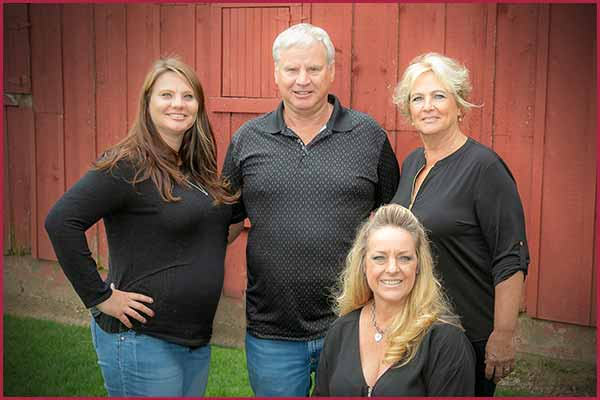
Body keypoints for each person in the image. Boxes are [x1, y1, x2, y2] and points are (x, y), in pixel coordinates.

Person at [222, 23, 400, 396]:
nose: (302, 80)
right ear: (276, 74)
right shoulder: (247, 141)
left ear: (331, 72)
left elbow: (394, 223)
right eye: (292, 69)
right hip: (272, 331)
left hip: (354, 323)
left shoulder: (369, 136)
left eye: (314, 69)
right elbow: (227, 222)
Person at [45, 57, 238, 397]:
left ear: (198, 106)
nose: (178, 104)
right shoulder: (127, 164)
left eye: (188, 96)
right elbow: (61, 222)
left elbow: (212, 232)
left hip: (194, 341)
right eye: (166, 95)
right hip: (141, 339)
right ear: (148, 103)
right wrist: (99, 296)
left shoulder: (197, 171)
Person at [390, 52, 529, 396]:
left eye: (439, 96)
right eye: (418, 98)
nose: (428, 106)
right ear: (408, 109)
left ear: (459, 104)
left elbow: (511, 255)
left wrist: (504, 334)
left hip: (469, 334)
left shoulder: (484, 168)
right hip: (415, 329)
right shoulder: (411, 163)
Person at [313, 204, 475, 396]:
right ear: (363, 265)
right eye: (379, 258)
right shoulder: (340, 331)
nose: (392, 268)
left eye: (404, 258)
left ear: (418, 266)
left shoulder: (446, 342)